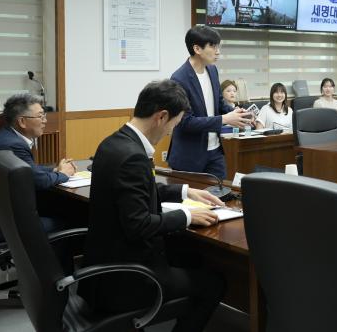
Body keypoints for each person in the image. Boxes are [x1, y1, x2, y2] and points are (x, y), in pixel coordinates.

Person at [79, 80, 226, 331]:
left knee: (191, 257)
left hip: (101, 268)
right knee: (214, 283)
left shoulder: (113, 143)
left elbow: (135, 191)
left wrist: (185, 191)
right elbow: (139, 225)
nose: (170, 132)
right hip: (127, 279)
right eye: (174, 124)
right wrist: (187, 216)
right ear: (161, 117)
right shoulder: (133, 156)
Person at [0, 94, 76, 245]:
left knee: (60, 207)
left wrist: (54, 170)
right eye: (40, 116)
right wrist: (63, 174)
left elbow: (30, 170)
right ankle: (59, 261)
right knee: (67, 221)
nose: (45, 120)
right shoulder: (13, 144)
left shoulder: (8, 136)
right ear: (22, 121)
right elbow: (39, 181)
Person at [168, 26, 253, 179]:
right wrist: (225, 119)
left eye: (218, 46)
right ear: (197, 49)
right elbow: (185, 122)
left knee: (220, 192)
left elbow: (219, 104)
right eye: (213, 46)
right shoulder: (179, 79)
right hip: (190, 156)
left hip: (215, 152)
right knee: (194, 195)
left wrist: (240, 114)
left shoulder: (212, 70)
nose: (218, 51)